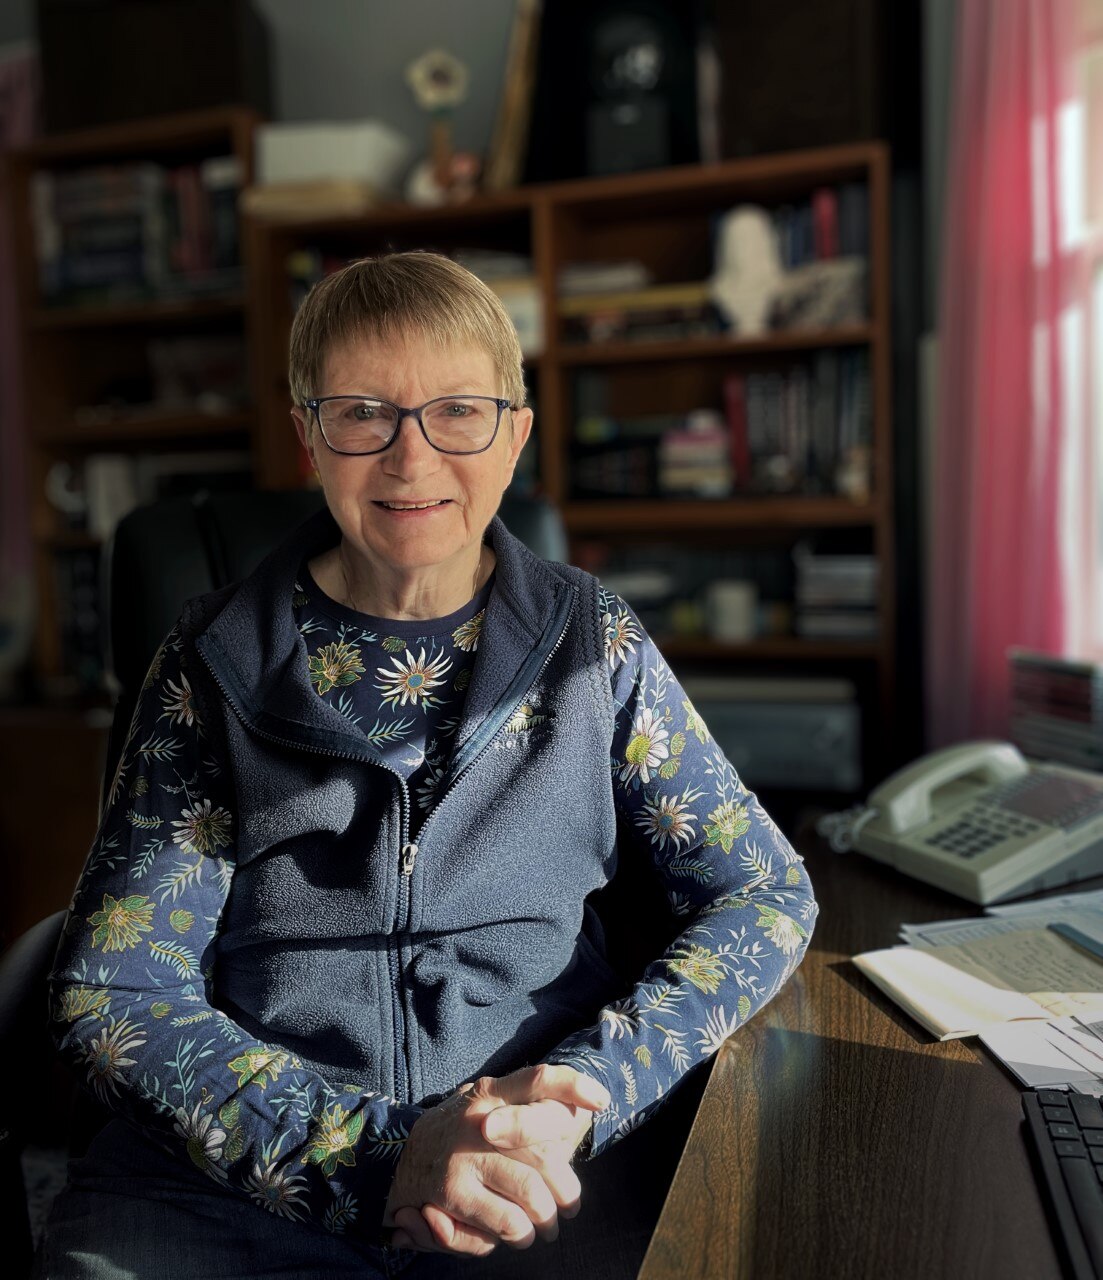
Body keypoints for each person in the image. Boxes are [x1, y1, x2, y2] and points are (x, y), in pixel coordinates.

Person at [40, 251, 818, 1278]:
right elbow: (116, 990)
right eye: (363, 413)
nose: (411, 459)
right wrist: (371, 1157)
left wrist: (586, 1092)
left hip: (538, 1166)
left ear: (515, 435)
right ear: (307, 435)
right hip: (245, 1177)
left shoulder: (598, 649)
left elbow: (762, 890)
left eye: (458, 411)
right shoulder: (212, 662)